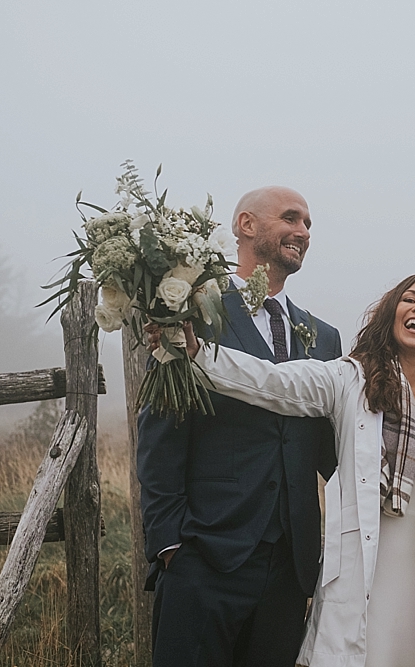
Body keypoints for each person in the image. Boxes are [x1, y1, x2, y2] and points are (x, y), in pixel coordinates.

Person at [171, 272, 415, 667]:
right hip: (363, 570)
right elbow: (274, 383)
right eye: (410, 299)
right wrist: (199, 354)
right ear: (391, 313)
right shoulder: (350, 380)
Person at [137, 186, 342, 667]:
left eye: (309, 224)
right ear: (246, 225)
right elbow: (161, 432)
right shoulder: (196, 315)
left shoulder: (325, 337)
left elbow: (332, 451)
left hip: (290, 568)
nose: (303, 232)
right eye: (290, 218)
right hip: (205, 557)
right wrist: (171, 547)